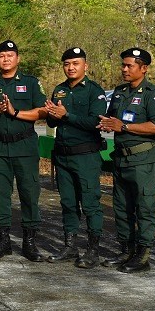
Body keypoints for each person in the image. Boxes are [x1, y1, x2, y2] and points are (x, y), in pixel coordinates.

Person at [0, 40, 47, 260]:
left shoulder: (31, 82)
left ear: (18, 58)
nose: (6, 59)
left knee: (29, 193)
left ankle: (29, 242)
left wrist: (14, 112)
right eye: (1, 56)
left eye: (10, 55)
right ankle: (3, 240)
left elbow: (42, 111)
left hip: (24, 146)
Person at [98, 48, 155, 273]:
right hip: (120, 159)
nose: (124, 69)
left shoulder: (153, 95)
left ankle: (143, 255)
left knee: (144, 207)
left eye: (129, 65)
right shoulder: (119, 92)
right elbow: (111, 119)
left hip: (142, 161)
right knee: (121, 207)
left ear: (144, 68)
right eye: (123, 65)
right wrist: (105, 123)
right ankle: (126, 250)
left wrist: (124, 126)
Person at [43, 47, 107, 268]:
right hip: (63, 156)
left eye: (75, 63)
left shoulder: (94, 91)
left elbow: (94, 122)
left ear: (85, 66)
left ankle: (93, 250)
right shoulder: (59, 90)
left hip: (86, 156)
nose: (70, 67)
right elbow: (52, 123)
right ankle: (70, 246)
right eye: (67, 64)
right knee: (68, 203)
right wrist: (51, 113)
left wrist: (66, 115)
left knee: (90, 204)